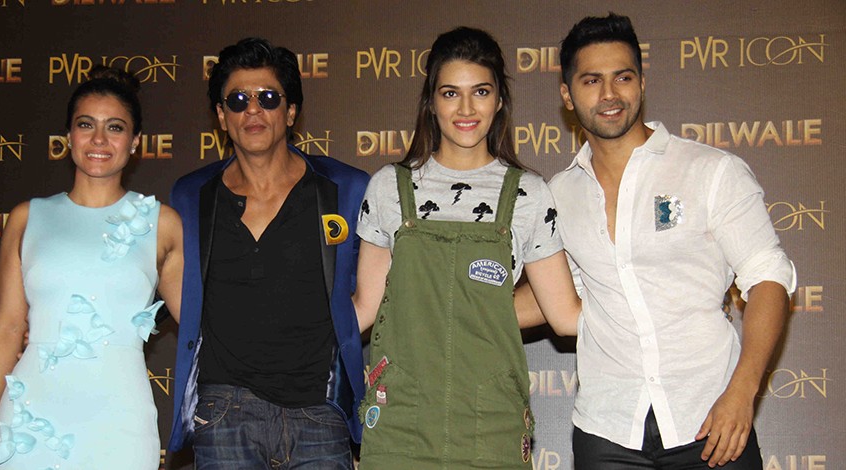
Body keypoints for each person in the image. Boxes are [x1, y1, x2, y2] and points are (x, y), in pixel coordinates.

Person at [550, 13, 795, 469]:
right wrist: (456, 307)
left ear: (641, 83)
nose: (609, 94)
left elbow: (768, 278)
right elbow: (560, 298)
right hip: (606, 429)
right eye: (591, 81)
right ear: (567, 95)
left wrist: (742, 392)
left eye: (623, 77)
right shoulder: (558, 195)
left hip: (711, 420)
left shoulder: (710, 170)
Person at [352, 27, 580, 469]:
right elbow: (364, 307)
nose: (466, 109)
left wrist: (661, 309)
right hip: (400, 420)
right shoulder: (388, 188)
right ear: (431, 102)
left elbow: (565, 315)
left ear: (499, 100)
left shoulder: (529, 194)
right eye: (450, 93)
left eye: (481, 91)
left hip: (491, 423)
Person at [168, 38, 369, 469]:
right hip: (223, 412)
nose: (253, 110)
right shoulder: (190, 196)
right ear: (221, 116)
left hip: (319, 411)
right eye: (238, 100)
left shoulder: (346, 188)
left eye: (268, 98)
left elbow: (375, 295)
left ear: (291, 111)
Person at [0, 66, 183, 469]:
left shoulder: (162, 223)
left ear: (135, 142)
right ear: (68, 135)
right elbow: (9, 327)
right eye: (86, 124)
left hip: (120, 416)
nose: (99, 139)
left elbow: (197, 322)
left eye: (115, 127)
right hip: (31, 415)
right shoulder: (27, 218)